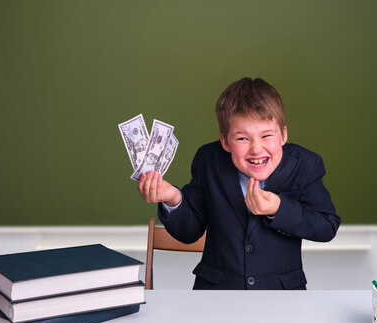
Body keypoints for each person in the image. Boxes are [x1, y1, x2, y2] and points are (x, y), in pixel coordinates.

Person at [137, 77, 341, 290]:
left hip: (282, 297)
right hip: (216, 294)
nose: (256, 148)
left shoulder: (305, 165)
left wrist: (278, 208)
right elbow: (189, 232)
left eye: (267, 136)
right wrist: (173, 199)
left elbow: (327, 226)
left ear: (283, 135)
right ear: (225, 142)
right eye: (243, 138)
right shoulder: (209, 160)